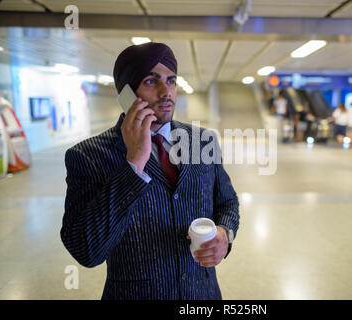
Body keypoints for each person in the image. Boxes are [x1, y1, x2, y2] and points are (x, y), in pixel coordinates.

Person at [60, 42, 240, 300]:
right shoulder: (89, 156)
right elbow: (86, 250)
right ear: (127, 94)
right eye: (151, 81)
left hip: (203, 295)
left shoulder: (202, 141)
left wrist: (225, 232)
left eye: (171, 80)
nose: (166, 92)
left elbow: (228, 202)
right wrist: (133, 164)